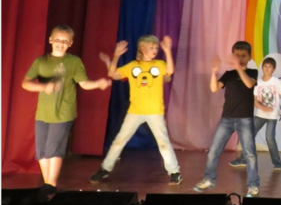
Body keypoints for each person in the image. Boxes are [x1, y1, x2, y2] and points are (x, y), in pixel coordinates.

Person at [21, 25, 111, 194]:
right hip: (43, 112)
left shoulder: (74, 62)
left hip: (63, 112)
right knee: (41, 151)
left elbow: (83, 83)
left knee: (54, 148)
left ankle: (51, 184)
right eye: (57, 40)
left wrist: (98, 83)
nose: (60, 44)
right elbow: (25, 83)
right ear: (50, 40)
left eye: (64, 41)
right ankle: (47, 183)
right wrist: (43, 87)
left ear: (70, 43)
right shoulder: (41, 61)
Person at [90, 35, 182, 185]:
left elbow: (170, 71)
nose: (155, 50)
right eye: (151, 47)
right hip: (135, 111)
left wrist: (167, 51)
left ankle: (174, 172)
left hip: (154, 111)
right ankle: (105, 168)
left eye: (156, 47)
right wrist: (116, 55)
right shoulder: (133, 66)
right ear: (142, 49)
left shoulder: (159, 64)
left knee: (163, 142)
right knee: (119, 141)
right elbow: (112, 74)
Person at [193, 42, 260, 197]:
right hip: (227, 119)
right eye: (237, 56)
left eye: (243, 56)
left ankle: (253, 185)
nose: (240, 59)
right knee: (213, 151)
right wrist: (214, 72)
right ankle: (209, 179)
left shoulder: (252, 72)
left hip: (245, 120)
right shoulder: (229, 74)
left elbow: (249, 84)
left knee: (250, 154)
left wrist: (238, 68)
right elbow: (214, 88)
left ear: (250, 57)